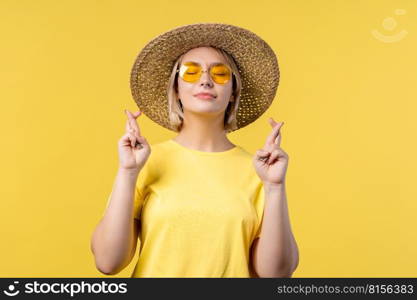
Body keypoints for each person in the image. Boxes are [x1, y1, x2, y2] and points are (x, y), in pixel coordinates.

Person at [90, 23, 299, 278]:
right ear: (176, 89)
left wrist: (275, 187)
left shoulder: (260, 171)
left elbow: (276, 275)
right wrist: (127, 171)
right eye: (190, 72)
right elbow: (108, 262)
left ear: (233, 91)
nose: (205, 80)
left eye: (220, 73)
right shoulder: (144, 162)